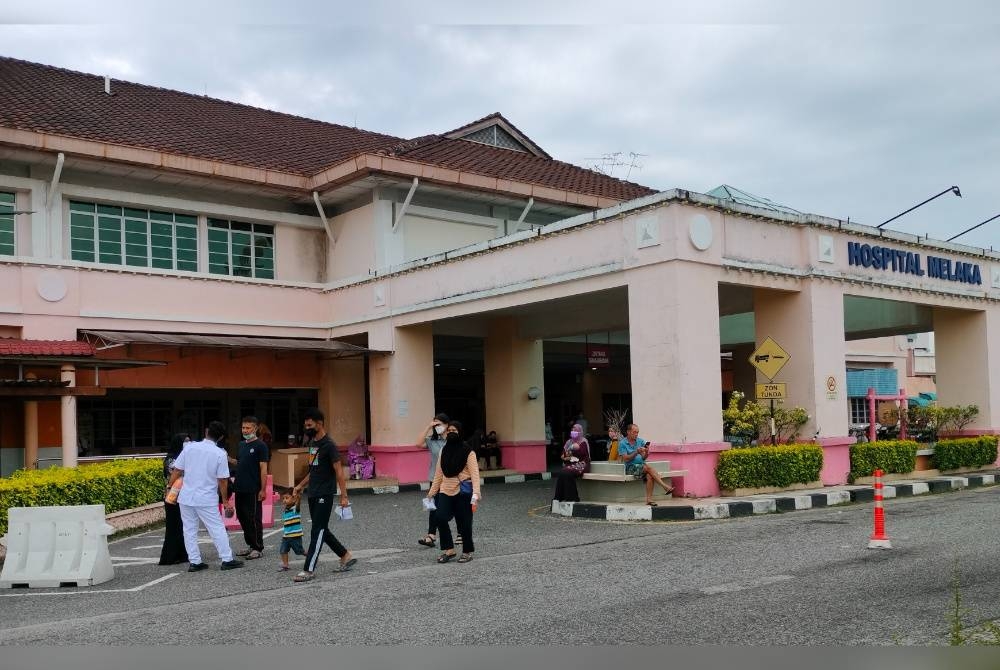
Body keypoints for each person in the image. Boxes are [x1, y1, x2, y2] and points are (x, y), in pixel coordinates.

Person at [290, 408, 357, 582]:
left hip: (324, 494)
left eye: (310, 424)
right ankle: (345, 555)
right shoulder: (313, 444)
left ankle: (308, 569)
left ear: (320, 424)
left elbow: (339, 472)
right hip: (313, 492)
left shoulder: (329, 445)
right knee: (322, 529)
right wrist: (299, 486)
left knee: (317, 530)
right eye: (305, 424)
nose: (307, 427)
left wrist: (344, 496)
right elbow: (314, 471)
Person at [167, 421, 243, 572]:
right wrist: (226, 501)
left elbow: (177, 470)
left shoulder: (189, 447)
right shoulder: (220, 453)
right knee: (216, 528)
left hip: (186, 497)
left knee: (189, 529)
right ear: (220, 437)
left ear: (206, 431)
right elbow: (222, 480)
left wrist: (170, 487)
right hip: (206, 498)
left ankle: (195, 562)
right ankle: (227, 559)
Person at [426, 420, 481, 564]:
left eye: (454, 431)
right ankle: (449, 550)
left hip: (463, 491)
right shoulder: (444, 450)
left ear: (460, 433)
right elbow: (439, 474)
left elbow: (475, 474)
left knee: (465, 523)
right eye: (449, 431)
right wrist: (432, 492)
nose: (451, 433)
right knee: (440, 518)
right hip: (445, 489)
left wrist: (476, 494)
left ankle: (467, 552)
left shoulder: (468, 451)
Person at [229, 416, 270, 560]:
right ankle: (250, 545)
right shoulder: (241, 445)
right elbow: (239, 462)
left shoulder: (261, 446)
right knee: (242, 517)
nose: (245, 430)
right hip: (240, 487)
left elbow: (263, 468)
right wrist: (227, 458)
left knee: (253, 518)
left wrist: (263, 489)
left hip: (253, 488)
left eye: (248, 428)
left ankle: (258, 547)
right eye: (243, 428)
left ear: (255, 428)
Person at [617, 423, 674, 506]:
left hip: (641, 466)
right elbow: (626, 458)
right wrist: (636, 452)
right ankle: (665, 487)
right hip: (630, 467)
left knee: (649, 476)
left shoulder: (640, 441)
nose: (636, 434)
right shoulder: (622, 443)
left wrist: (647, 452)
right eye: (634, 432)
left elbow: (643, 458)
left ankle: (649, 499)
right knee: (648, 468)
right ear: (628, 432)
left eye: (637, 432)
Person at [417, 413, 450, 548]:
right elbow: (418, 443)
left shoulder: (453, 439)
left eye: (439, 424)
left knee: (451, 507)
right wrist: (428, 427)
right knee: (433, 507)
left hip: (450, 479)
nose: (437, 427)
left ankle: (460, 533)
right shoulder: (432, 441)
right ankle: (431, 536)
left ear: (447, 425)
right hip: (435, 479)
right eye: (435, 424)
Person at [158, 433, 190, 566]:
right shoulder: (171, 459)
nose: (188, 443)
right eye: (185, 441)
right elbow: (177, 473)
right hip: (173, 496)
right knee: (173, 526)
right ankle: (169, 556)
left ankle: (182, 554)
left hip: (182, 495)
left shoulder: (184, 457)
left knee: (182, 526)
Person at [552, 423, 591, 502]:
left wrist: (570, 453)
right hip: (571, 464)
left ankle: (572, 498)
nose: (573, 431)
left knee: (567, 472)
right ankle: (559, 497)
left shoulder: (583, 441)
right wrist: (571, 449)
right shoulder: (569, 442)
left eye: (575, 430)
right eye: (572, 429)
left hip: (583, 464)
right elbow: (563, 455)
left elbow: (582, 454)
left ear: (580, 431)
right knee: (562, 472)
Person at [277, 491, 306, 572]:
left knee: (300, 551)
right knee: (283, 550)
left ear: (293, 499)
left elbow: (298, 503)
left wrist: (298, 498)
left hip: (295, 536)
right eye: (283, 498)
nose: (284, 500)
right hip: (286, 536)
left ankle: (311, 557)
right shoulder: (286, 509)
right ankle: (285, 565)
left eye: (287, 498)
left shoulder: (295, 509)